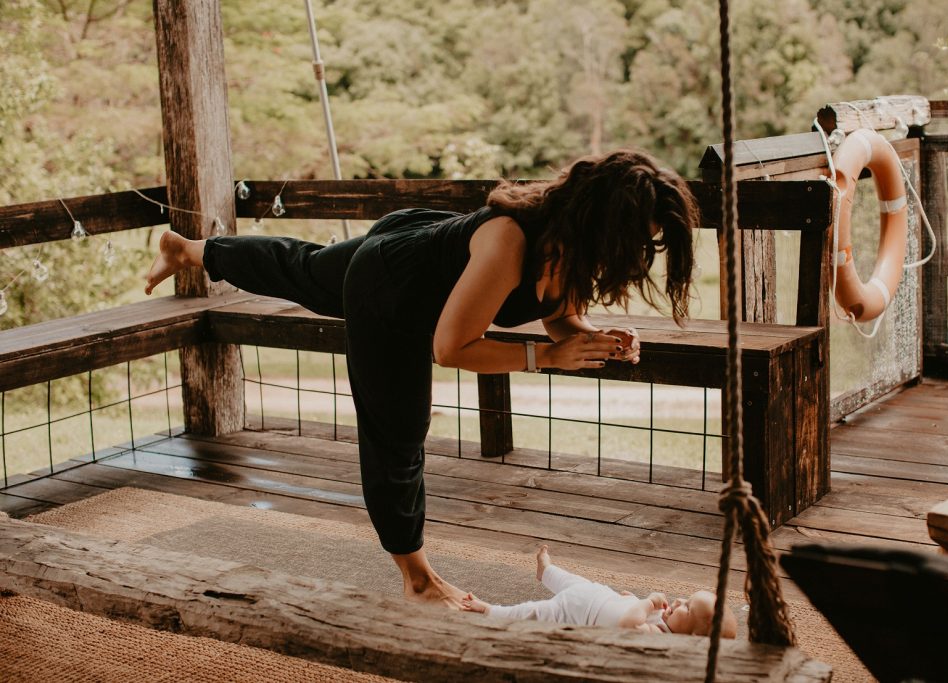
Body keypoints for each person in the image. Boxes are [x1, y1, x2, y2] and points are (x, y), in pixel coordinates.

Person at [144, 149, 699, 609]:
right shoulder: (510, 242)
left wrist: (591, 335)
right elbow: (451, 347)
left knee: (306, 270)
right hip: (392, 286)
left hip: (415, 237)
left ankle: (190, 248)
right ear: (602, 223)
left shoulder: (574, 248)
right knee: (398, 432)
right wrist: (547, 359)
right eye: (638, 242)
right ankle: (418, 581)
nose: (640, 256)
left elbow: (558, 315)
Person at [461, 545, 738, 637]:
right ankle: (545, 571)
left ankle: (490, 610)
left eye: (687, 608)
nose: (679, 601)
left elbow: (628, 623)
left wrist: (645, 602)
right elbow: (627, 610)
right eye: (687, 599)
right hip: (598, 596)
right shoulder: (665, 619)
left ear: (691, 638)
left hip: (579, 614)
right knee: (573, 581)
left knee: (536, 612)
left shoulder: (659, 638)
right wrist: (627, 599)